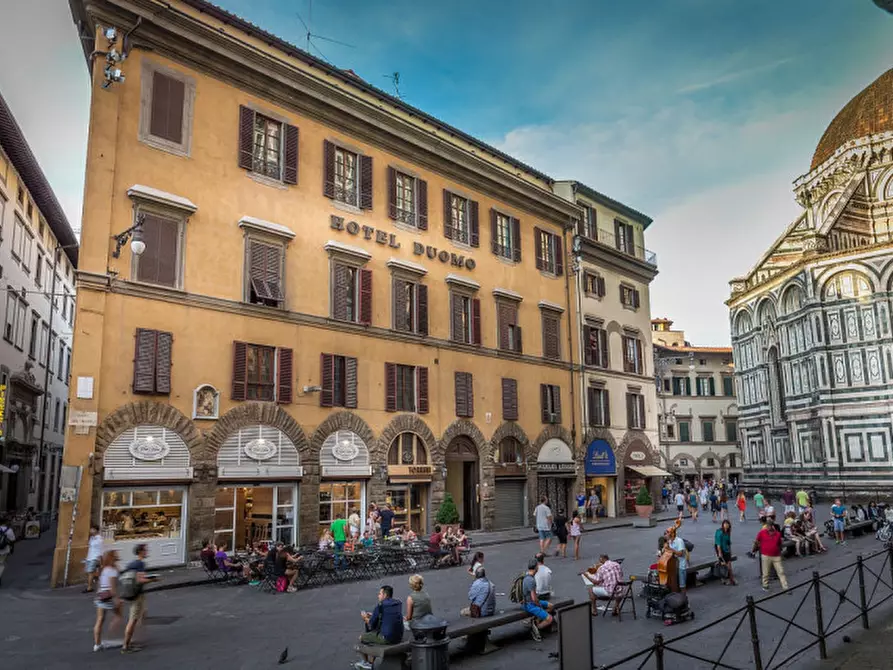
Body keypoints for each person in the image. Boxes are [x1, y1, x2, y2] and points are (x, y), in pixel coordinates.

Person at [357, 585, 404, 669]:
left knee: (362, 638)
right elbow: (387, 616)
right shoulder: (397, 603)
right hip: (399, 636)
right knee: (374, 636)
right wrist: (373, 615)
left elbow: (371, 623)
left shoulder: (381, 605)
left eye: (379, 594)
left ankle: (367, 663)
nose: (378, 596)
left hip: (387, 638)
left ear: (385, 595)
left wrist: (365, 617)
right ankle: (371, 661)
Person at [121, 544, 156, 654]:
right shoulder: (140, 563)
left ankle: (130, 641)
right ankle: (125, 646)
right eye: (145, 550)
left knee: (138, 616)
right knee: (133, 620)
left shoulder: (132, 563)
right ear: (141, 551)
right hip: (137, 595)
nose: (147, 552)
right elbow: (141, 580)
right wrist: (154, 580)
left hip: (131, 593)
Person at [93, 549, 123, 652]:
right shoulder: (112, 571)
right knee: (118, 616)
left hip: (100, 596)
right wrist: (116, 599)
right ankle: (112, 633)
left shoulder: (104, 569)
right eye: (116, 554)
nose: (118, 555)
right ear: (113, 557)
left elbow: (100, 584)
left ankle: (97, 644)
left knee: (100, 620)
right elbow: (112, 587)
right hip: (109, 597)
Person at [521, 558, 553, 641]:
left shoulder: (527, 575)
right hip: (529, 604)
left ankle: (535, 620)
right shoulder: (531, 580)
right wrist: (539, 606)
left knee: (550, 606)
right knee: (550, 619)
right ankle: (536, 628)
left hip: (528, 601)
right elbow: (534, 599)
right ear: (536, 568)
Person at [752, 519, 788, 592]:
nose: (768, 527)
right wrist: (755, 548)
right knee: (766, 572)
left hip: (776, 555)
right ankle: (765, 585)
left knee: (781, 571)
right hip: (766, 555)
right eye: (767, 525)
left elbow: (779, 544)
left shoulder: (777, 534)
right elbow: (757, 541)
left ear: (772, 526)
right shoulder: (762, 533)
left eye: (769, 525)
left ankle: (785, 587)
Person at [665, 524, 688, 593]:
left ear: (672, 533)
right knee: (673, 583)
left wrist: (671, 549)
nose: (666, 533)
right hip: (673, 565)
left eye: (667, 532)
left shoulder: (679, 541)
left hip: (681, 565)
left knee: (682, 585)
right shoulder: (669, 541)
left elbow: (681, 554)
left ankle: (685, 600)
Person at [714, 520, 737, 586]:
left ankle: (731, 579)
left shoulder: (728, 532)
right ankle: (725, 579)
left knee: (729, 565)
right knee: (724, 565)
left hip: (726, 549)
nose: (726, 525)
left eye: (727, 524)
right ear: (723, 525)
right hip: (720, 549)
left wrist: (730, 550)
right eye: (725, 524)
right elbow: (718, 545)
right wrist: (720, 553)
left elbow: (728, 542)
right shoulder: (719, 532)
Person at [84, 525, 104, 592]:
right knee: (89, 572)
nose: (90, 531)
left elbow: (100, 550)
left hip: (95, 558)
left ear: (96, 530)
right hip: (89, 557)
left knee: (90, 572)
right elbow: (90, 547)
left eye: (92, 529)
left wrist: (101, 560)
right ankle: (99, 580)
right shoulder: (92, 538)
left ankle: (89, 588)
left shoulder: (99, 539)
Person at [0, 516, 15, 587]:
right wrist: (12, 549)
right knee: (2, 565)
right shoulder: (9, 530)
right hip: (4, 550)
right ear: (5, 523)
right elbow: (12, 540)